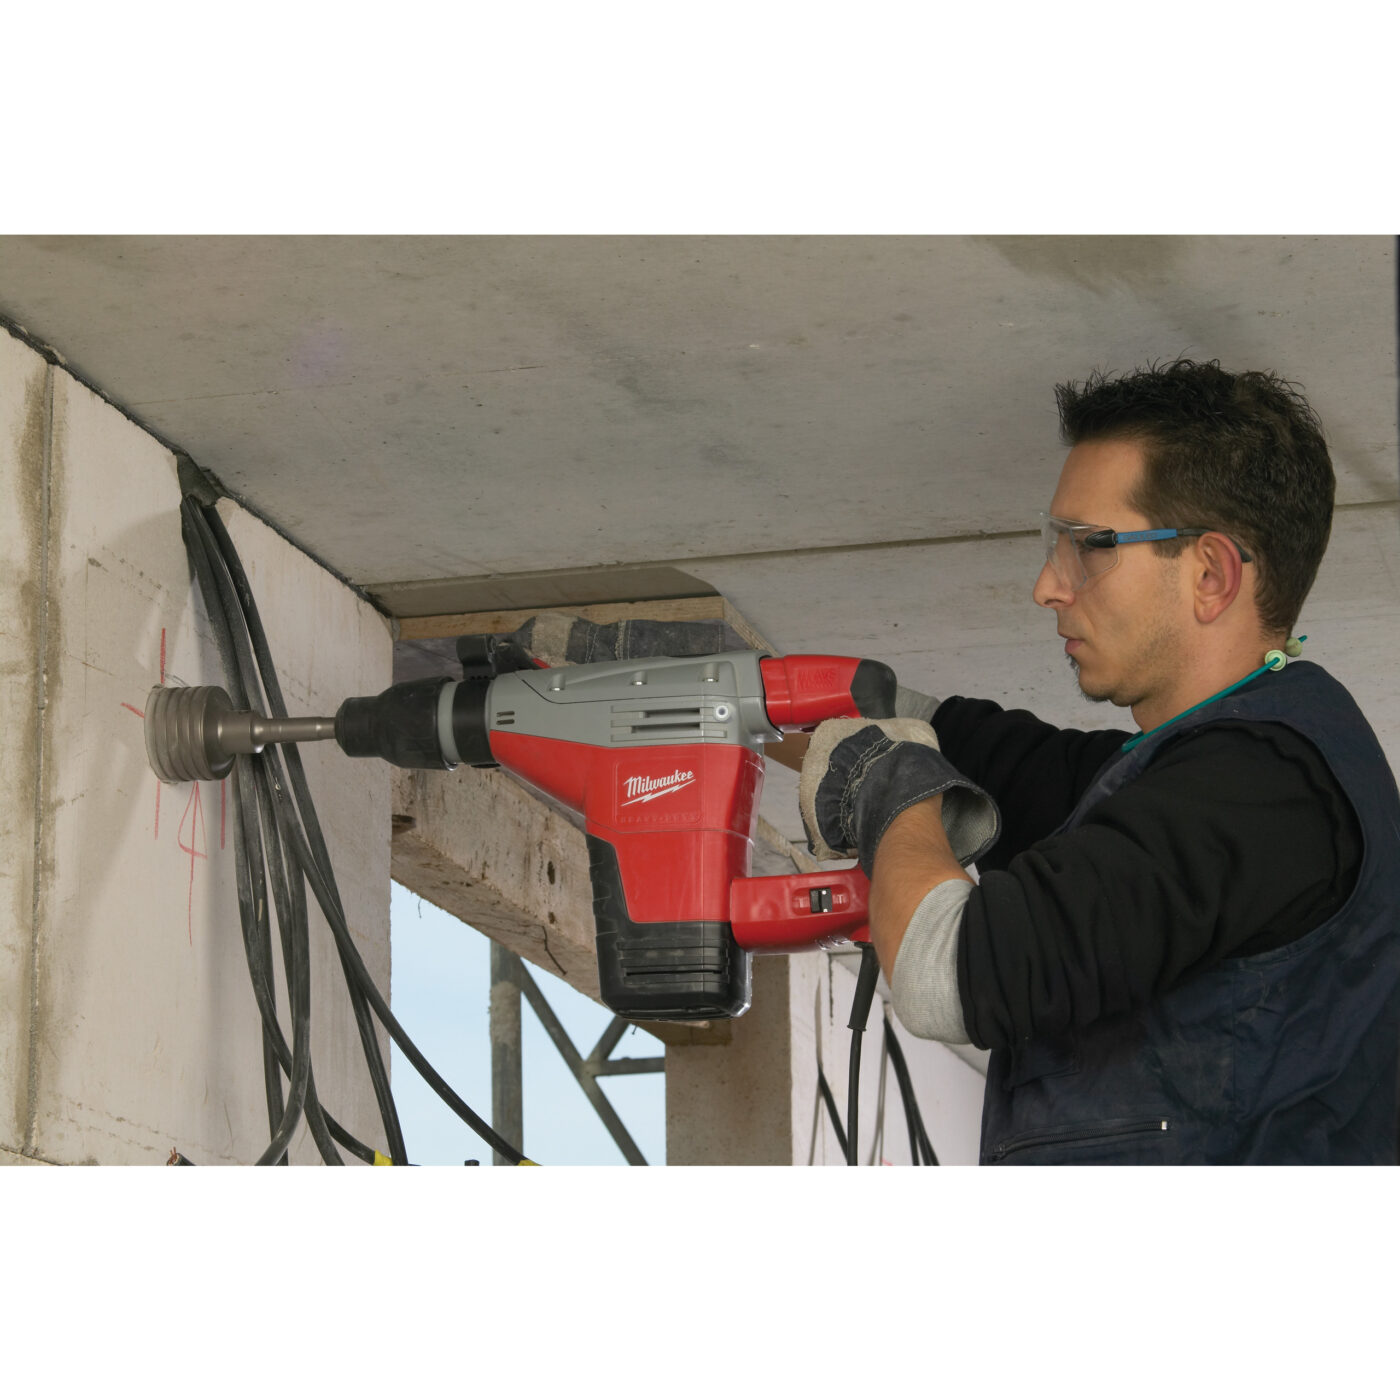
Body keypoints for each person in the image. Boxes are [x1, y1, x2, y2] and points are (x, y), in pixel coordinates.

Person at [793, 358, 1400, 1164]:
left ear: (1211, 575)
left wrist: (887, 785)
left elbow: (945, 974)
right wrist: (763, 698)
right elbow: (1011, 762)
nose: (1049, 585)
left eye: (1088, 547)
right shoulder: (1221, 775)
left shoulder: (1263, 794)